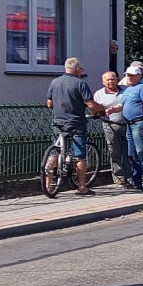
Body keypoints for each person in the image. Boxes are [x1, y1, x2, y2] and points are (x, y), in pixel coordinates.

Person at [46, 57, 104, 196]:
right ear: (77, 68)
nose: (81, 72)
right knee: (80, 154)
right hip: (76, 122)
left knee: (55, 151)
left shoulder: (54, 82)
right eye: (81, 69)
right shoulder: (80, 83)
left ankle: (48, 185)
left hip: (58, 122)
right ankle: (82, 187)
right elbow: (90, 104)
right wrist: (100, 111)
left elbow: (49, 103)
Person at [93, 71, 132, 187]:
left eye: (113, 79)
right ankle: (119, 177)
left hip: (128, 124)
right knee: (114, 151)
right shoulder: (98, 94)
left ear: (117, 79)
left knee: (128, 152)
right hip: (109, 124)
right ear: (103, 82)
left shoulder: (126, 90)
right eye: (108, 80)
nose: (111, 81)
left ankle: (130, 176)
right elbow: (96, 111)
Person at [122, 65, 143, 191]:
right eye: (127, 75)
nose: (128, 77)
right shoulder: (127, 89)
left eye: (131, 75)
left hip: (139, 123)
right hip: (129, 124)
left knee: (142, 153)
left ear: (138, 76)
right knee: (132, 154)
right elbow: (124, 105)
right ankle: (136, 180)